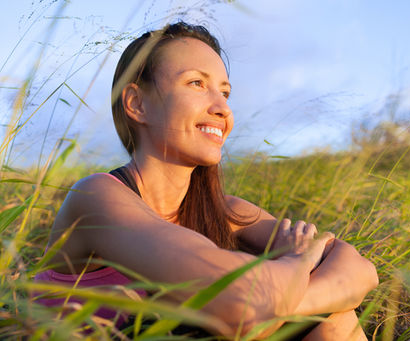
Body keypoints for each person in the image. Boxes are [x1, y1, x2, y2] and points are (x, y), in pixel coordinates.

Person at [35, 21, 378, 340]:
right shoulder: (96, 197)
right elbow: (240, 300)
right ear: (137, 103)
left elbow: (360, 270)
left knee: (334, 320)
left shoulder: (222, 210)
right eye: (197, 83)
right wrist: (299, 262)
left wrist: (277, 301)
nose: (222, 108)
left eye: (225, 93)